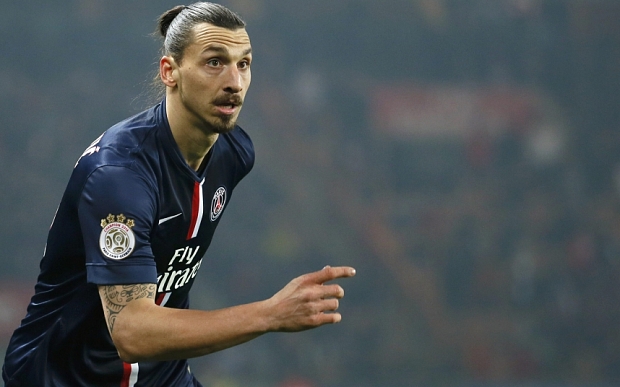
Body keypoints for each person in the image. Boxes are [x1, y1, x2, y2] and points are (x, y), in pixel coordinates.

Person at [2, 3, 356, 386]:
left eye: (244, 64)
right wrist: (269, 314)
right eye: (215, 62)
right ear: (170, 71)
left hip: (162, 377)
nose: (235, 82)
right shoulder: (119, 175)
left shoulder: (234, 153)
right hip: (62, 377)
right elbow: (132, 331)